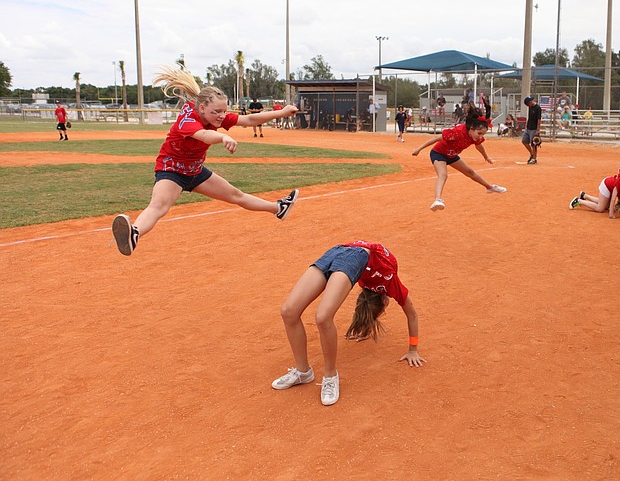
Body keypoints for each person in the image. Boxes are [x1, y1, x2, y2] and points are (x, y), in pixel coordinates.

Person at [110, 66, 300, 257]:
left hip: (195, 171)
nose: (222, 116)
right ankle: (135, 233)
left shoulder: (216, 116)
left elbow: (249, 119)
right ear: (202, 108)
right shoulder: (187, 119)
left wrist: (281, 112)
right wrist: (223, 138)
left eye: (224, 111)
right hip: (172, 170)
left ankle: (279, 208)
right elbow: (203, 135)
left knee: (236, 195)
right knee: (159, 206)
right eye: (217, 112)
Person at [272, 240, 425, 406]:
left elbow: (363, 301)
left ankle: (330, 376)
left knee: (321, 317)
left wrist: (365, 327)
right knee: (289, 312)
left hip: (339, 251)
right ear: (383, 300)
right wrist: (413, 350)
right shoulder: (390, 282)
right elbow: (412, 315)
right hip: (349, 253)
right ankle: (303, 372)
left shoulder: (369, 281)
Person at [411, 106, 507, 211]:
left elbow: (479, 145)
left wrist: (486, 157)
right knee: (443, 174)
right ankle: (437, 200)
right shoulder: (457, 133)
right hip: (439, 153)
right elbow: (435, 138)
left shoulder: (474, 136)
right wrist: (418, 149)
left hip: (452, 155)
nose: (480, 137)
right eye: (479, 133)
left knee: (470, 172)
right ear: (471, 128)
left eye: (483, 134)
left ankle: (489, 187)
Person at [522, 96, 542, 164]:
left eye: (528, 104)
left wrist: (538, 130)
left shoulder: (538, 108)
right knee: (524, 141)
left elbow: (539, 119)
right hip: (528, 127)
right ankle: (532, 154)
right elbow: (529, 117)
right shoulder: (530, 107)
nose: (528, 106)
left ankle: (534, 159)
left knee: (533, 144)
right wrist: (526, 125)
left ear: (530, 102)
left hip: (534, 128)